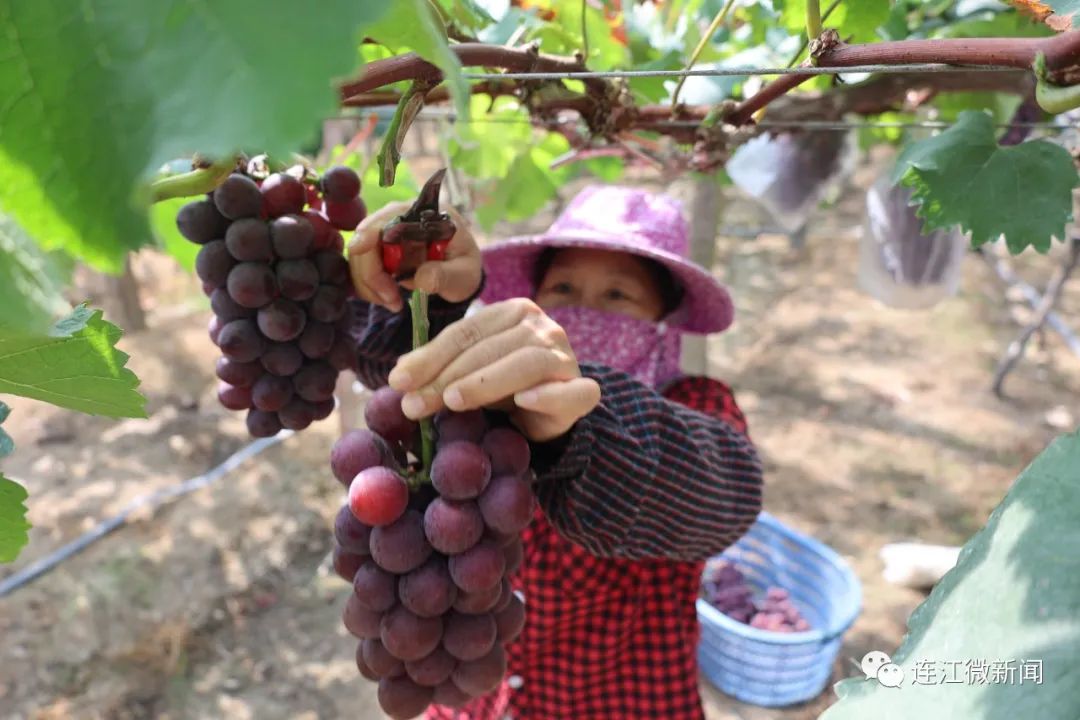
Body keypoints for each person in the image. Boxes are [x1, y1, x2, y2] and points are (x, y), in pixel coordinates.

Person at [347, 185, 764, 720]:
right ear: (537, 304)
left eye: (619, 295)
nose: (587, 310)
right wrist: (430, 296)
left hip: (621, 702)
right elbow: (400, 374)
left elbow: (726, 496)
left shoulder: (696, 404)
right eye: (564, 288)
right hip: (483, 689)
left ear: (660, 319)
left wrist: (577, 422)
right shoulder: (494, 398)